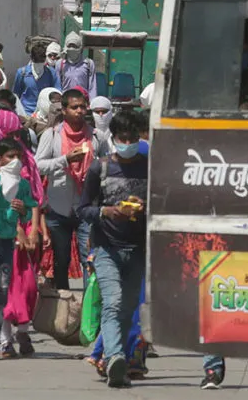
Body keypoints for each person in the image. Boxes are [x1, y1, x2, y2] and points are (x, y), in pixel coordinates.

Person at [76, 111, 148, 388]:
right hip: (107, 248)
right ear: (113, 138)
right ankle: (115, 357)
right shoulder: (100, 168)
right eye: (122, 138)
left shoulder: (149, 167)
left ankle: (119, 355)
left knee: (129, 307)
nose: (127, 143)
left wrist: (143, 208)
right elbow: (83, 209)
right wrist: (107, 211)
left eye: (132, 139)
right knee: (113, 301)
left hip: (138, 249)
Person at [0, 111, 44, 359]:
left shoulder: (27, 159)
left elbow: (34, 199)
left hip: (28, 229)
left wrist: (35, 230)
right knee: (8, 288)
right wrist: (19, 233)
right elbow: (3, 204)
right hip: (4, 232)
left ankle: (23, 330)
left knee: (28, 287)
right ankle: (5, 340)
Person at [35, 88, 92, 290]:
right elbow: (38, 165)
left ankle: (88, 312)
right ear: (65, 110)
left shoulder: (95, 136)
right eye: (74, 107)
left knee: (89, 260)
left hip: (86, 207)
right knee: (61, 260)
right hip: (58, 207)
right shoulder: (52, 135)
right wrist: (65, 160)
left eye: (82, 107)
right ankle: (63, 306)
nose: (79, 111)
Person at [13, 44, 59, 117]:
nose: (39, 64)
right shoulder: (22, 73)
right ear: (31, 58)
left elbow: (57, 91)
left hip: (44, 113)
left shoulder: (51, 73)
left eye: (41, 61)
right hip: (25, 112)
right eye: (37, 61)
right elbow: (16, 94)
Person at [56, 32, 97, 99]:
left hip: (82, 100)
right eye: (69, 46)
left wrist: (92, 103)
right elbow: (58, 86)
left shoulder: (89, 63)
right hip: (66, 101)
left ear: (80, 47)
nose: (72, 48)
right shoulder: (60, 64)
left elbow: (92, 87)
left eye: (74, 46)